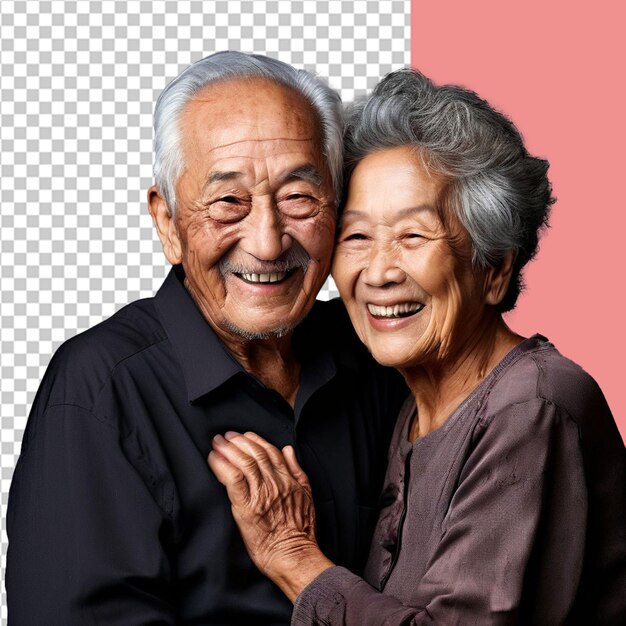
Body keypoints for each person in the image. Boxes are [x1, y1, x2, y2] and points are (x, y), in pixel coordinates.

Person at [209, 68, 626, 625]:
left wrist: (296, 561)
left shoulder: (532, 404)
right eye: (356, 236)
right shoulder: (410, 407)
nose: (378, 272)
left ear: (495, 269)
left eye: (413, 235)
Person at [6, 52, 407, 624]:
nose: (268, 243)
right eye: (228, 202)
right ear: (167, 223)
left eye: (298, 198)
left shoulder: (377, 353)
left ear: (338, 208)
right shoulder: (101, 389)